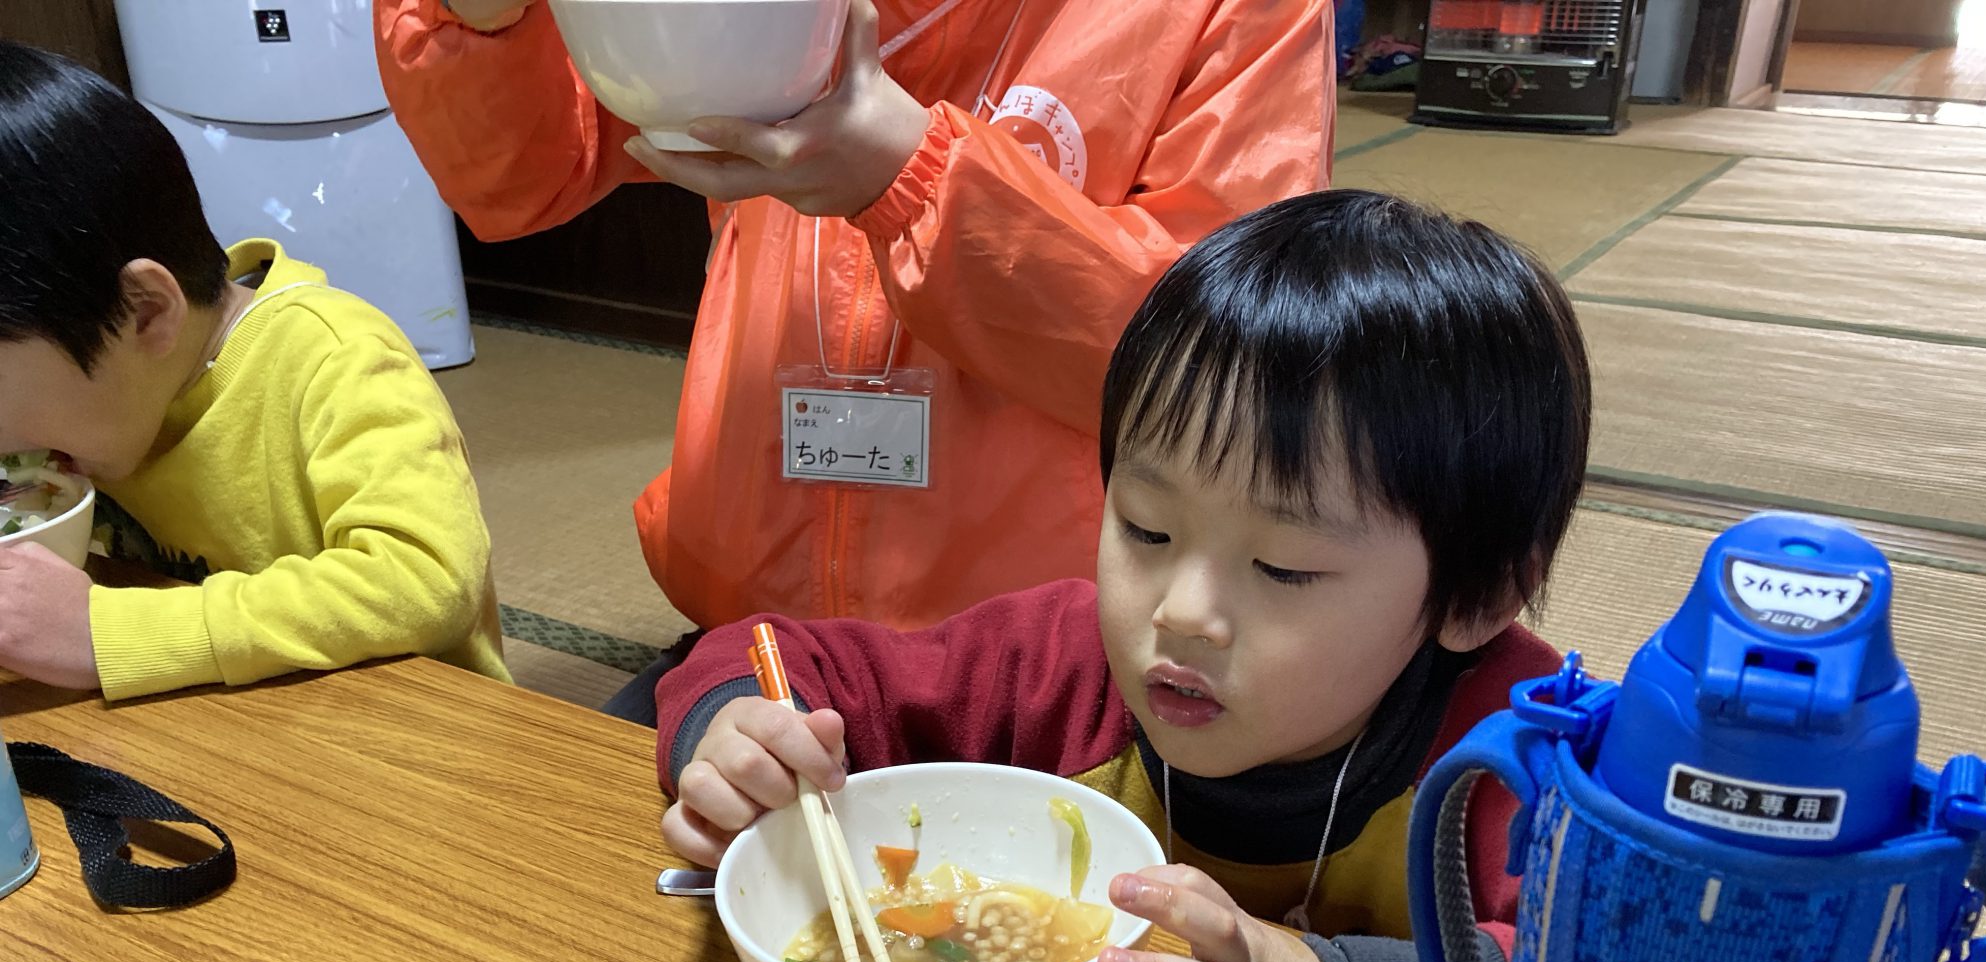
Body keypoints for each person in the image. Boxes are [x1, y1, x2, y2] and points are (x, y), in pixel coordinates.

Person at [648, 190, 1592, 962]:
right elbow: (775, 655)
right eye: (1147, 528)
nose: (1181, 613)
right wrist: (742, 735)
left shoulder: (1522, 760)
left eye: (1282, 567)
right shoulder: (1056, 660)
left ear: (1476, 598)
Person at [375, 0, 1335, 721]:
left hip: (1056, 677)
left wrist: (906, 172)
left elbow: (1225, 370)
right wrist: (480, 21)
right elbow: (522, 174)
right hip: (757, 639)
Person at [0, 45, 509, 702]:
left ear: (144, 313)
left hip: (416, 729)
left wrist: (106, 634)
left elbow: (428, 583)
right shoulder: (112, 400)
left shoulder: (333, 358)